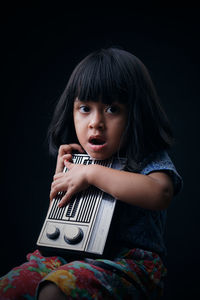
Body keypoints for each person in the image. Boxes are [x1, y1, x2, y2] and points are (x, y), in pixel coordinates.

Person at [0, 47, 182, 299]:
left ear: (136, 113)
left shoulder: (146, 156)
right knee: (10, 287)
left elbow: (161, 193)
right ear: (71, 112)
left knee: (55, 291)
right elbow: (61, 225)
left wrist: (92, 174)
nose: (95, 122)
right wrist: (66, 176)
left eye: (112, 109)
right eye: (85, 108)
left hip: (129, 266)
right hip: (67, 258)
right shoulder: (76, 160)